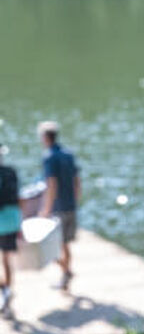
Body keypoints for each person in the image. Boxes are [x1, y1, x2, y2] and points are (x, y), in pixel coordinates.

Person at [38, 121, 81, 290]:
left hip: (58, 208)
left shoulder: (49, 156)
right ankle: (66, 273)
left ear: (44, 137)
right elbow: (77, 180)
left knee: (50, 247)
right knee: (65, 244)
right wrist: (75, 200)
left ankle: (66, 271)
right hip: (71, 205)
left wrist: (46, 209)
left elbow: (51, 184)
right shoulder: (68, 154)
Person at [0, 144, 21, 316]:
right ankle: (7, 290)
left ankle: (4, 290)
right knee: (6, 259)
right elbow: (18, 198)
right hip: (12, 219)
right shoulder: (11, 172)